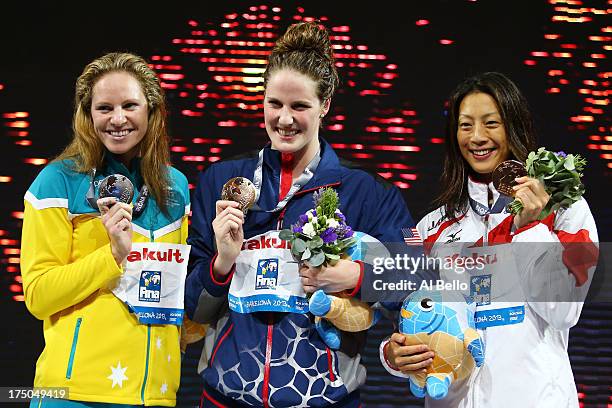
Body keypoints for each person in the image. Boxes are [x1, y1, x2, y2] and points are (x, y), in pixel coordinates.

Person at [184, 21, 416, 407]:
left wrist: (356, 276)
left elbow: (417, 276)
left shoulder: (366, 193)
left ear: (325, 105)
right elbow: (194, 308)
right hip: (225, 398)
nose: (285, 119)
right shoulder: (221, 182)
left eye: (300, 106)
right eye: (274, 104)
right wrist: (222, 263)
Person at [380, 72, 599, 407]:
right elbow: (412, 319)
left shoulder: (564, 209)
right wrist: (394, 355)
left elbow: (563, 311)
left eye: (491, 123)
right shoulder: (431, 228)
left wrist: (528, 228)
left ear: (514, 125)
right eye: (465, 125)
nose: (477, 137)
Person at [21, 52, 190, 407]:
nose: (118, 119)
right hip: (74, 395)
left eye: (130, 105)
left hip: (156, 395)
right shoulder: (57, 181)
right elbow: (38, 294)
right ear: (87, 114)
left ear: (152, 110)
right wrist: (111, 255)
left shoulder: (176, 187)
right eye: (104, 108)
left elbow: (176, 292)